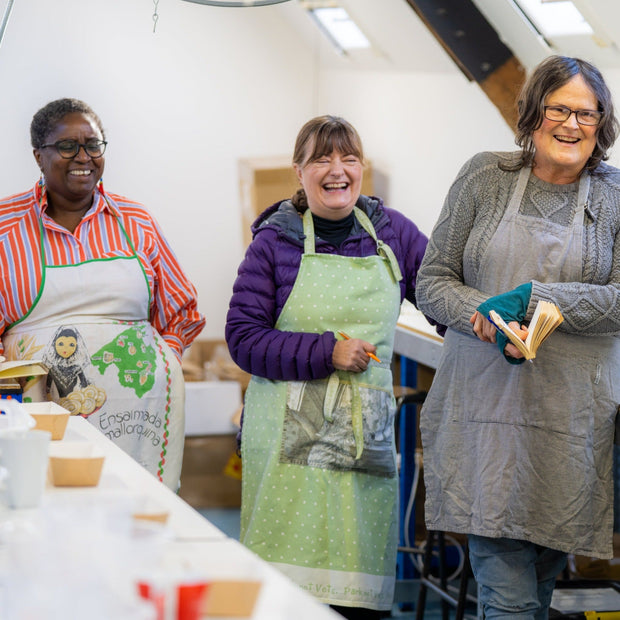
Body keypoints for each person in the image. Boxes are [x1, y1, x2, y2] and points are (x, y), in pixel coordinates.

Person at [416, 55, 620, 618]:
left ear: (602, 124)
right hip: (487, 414)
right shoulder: (485, 176)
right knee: (507, 592)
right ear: (534, 112)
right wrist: (484, 311)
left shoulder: (615, 196)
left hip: (568, 420)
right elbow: (431, 281)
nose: (572, 124)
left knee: (540, 583)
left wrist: (533, 299)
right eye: (560, 108)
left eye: (587, 113)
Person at [226, 115, 435, 619]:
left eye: (348, 157)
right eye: (321, 158)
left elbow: (439, 298)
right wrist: (326, 352)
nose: (336, 170)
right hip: (281, 439)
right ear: (298, 171)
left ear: (361, 168)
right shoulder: (274, 242)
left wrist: (491, 327)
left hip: (363, 434)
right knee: (287, 594)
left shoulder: (393, 234)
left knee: (357, 584)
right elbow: (243, 339)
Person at [0, 98, 205, 489]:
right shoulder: (5, 227)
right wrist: (15, 396)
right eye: (67, 146)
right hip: (41, 416)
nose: (84, 157)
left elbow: (182, 310)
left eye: (93, 145)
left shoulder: (135, 220)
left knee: (137, 514)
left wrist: (163, 363)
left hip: (143, 415)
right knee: (51, 506)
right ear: (38, 156)